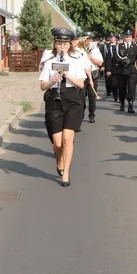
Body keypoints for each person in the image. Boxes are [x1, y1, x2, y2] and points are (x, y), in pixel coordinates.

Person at [38, 28, 90, 187]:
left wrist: (67, 76)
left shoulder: (76, 61)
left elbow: (81, 84)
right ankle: (59, 159)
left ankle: (66, 173)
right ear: (55, 44)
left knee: (68, 139)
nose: (62, 46)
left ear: (69, 45)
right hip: (55, 100)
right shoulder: (49, 62)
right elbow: (42, 86)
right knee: (58, 144)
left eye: (65, 44)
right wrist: (52, 81)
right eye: (59, 43)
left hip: (72, 99)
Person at [111, 31, 137, 113]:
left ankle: (130, 104)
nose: (128, 38)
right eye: (126, 37)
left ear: (132, 37)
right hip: (122, 70)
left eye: (129, 37)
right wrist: (123, 61)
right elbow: (116, 57)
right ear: (124, 37)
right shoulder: (118, 46)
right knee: (122, 88)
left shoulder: (135, 47)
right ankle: (122, 103)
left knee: (131, 87)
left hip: (131, 70)